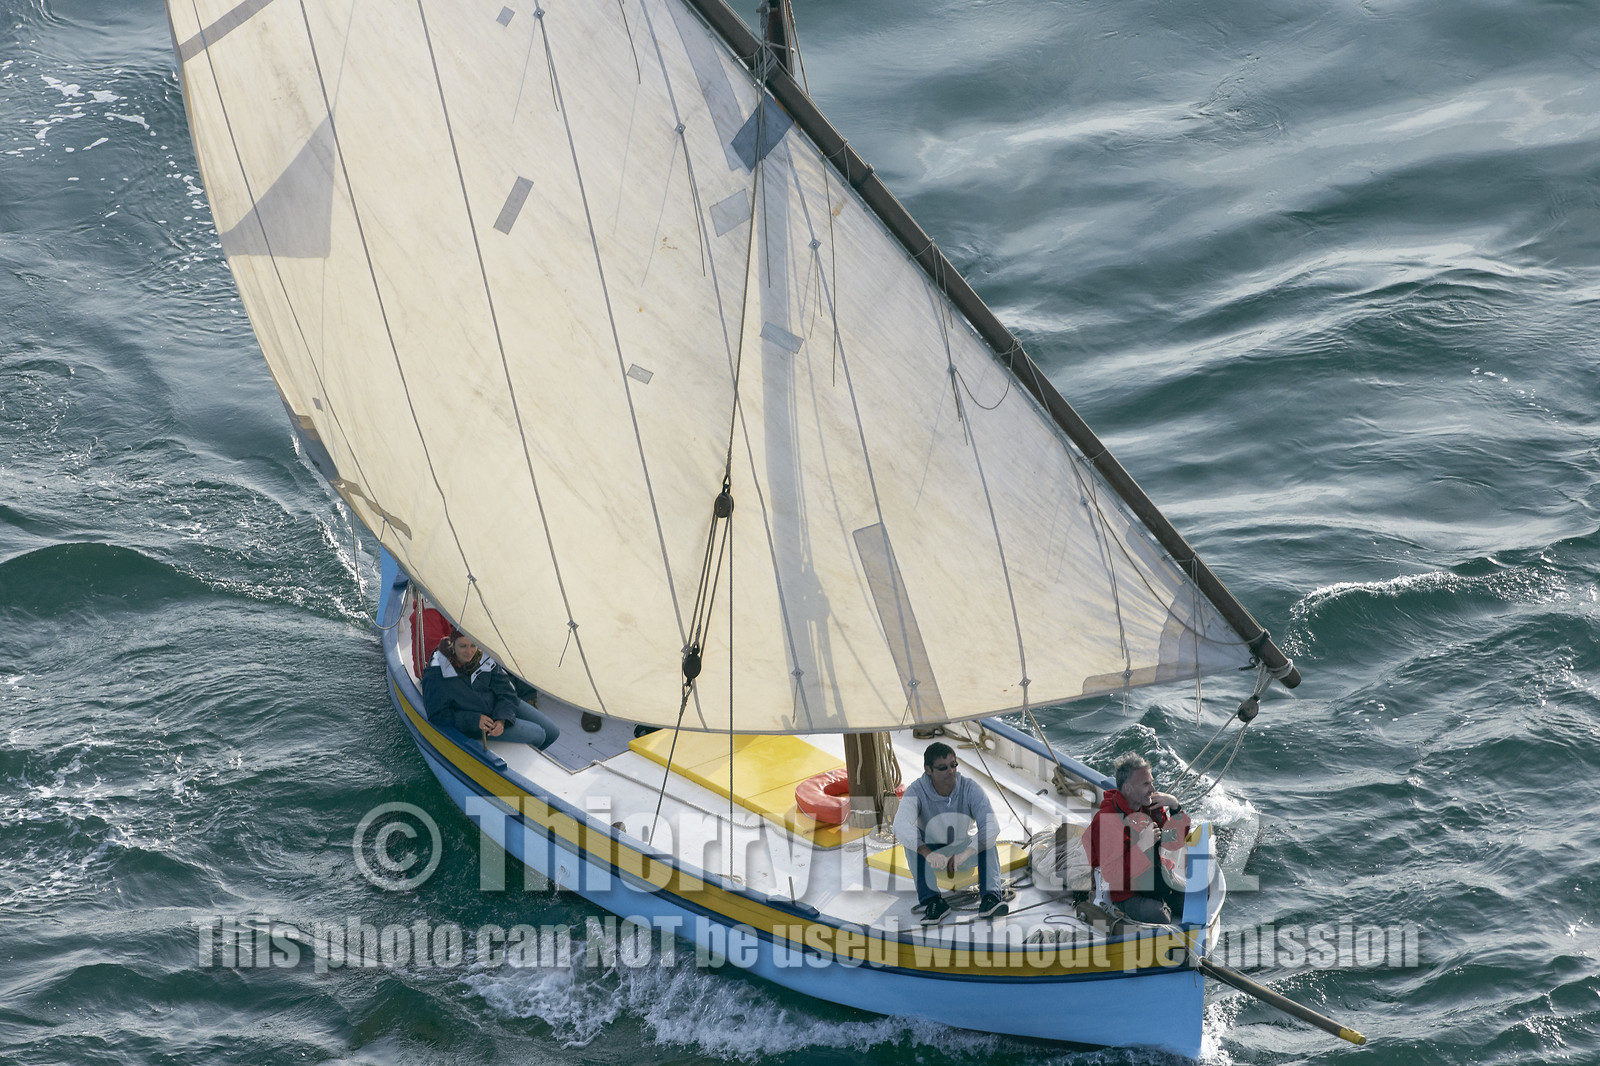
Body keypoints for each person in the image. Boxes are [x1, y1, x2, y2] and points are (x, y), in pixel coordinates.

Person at [892, 741, 1008, 923]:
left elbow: (992, 826)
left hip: (961, 851)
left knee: (988, 837)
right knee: (912, 839)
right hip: (932, 856)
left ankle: (990, 898)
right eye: (943, 768)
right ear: (928, 770)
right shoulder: (916, 790)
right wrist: (927, 853)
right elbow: (899, 825)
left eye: (953, 765)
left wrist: (965, 854)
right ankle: (933, 901)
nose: (951, 771)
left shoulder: (970, 788)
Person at [1083, 753, 1191, 924]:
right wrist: (1142, 845)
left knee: (1199, 898)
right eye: (1146, 784)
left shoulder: (1149, 806)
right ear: (1127, 788)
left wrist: (1175, 806)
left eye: (1152, 782)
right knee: (1160, 916)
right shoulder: (1107, 821)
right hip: (1127, 892)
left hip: (1157, 879)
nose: (1153, 789)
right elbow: (1113, 875)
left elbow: (1175, 842)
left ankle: (1164, 898)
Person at [421, 631, 560, 752]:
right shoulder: (436, 674)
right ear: (452, 645)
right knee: (539, 735)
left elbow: (507, 691)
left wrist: (502, 719)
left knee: (553, 732)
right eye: (463, 646)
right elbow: (436, 715)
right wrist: (474, 720)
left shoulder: (484, 656)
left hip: (501, 708)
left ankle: (519, 758)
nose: (469, 652)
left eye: (473, 645)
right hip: (477, 724)